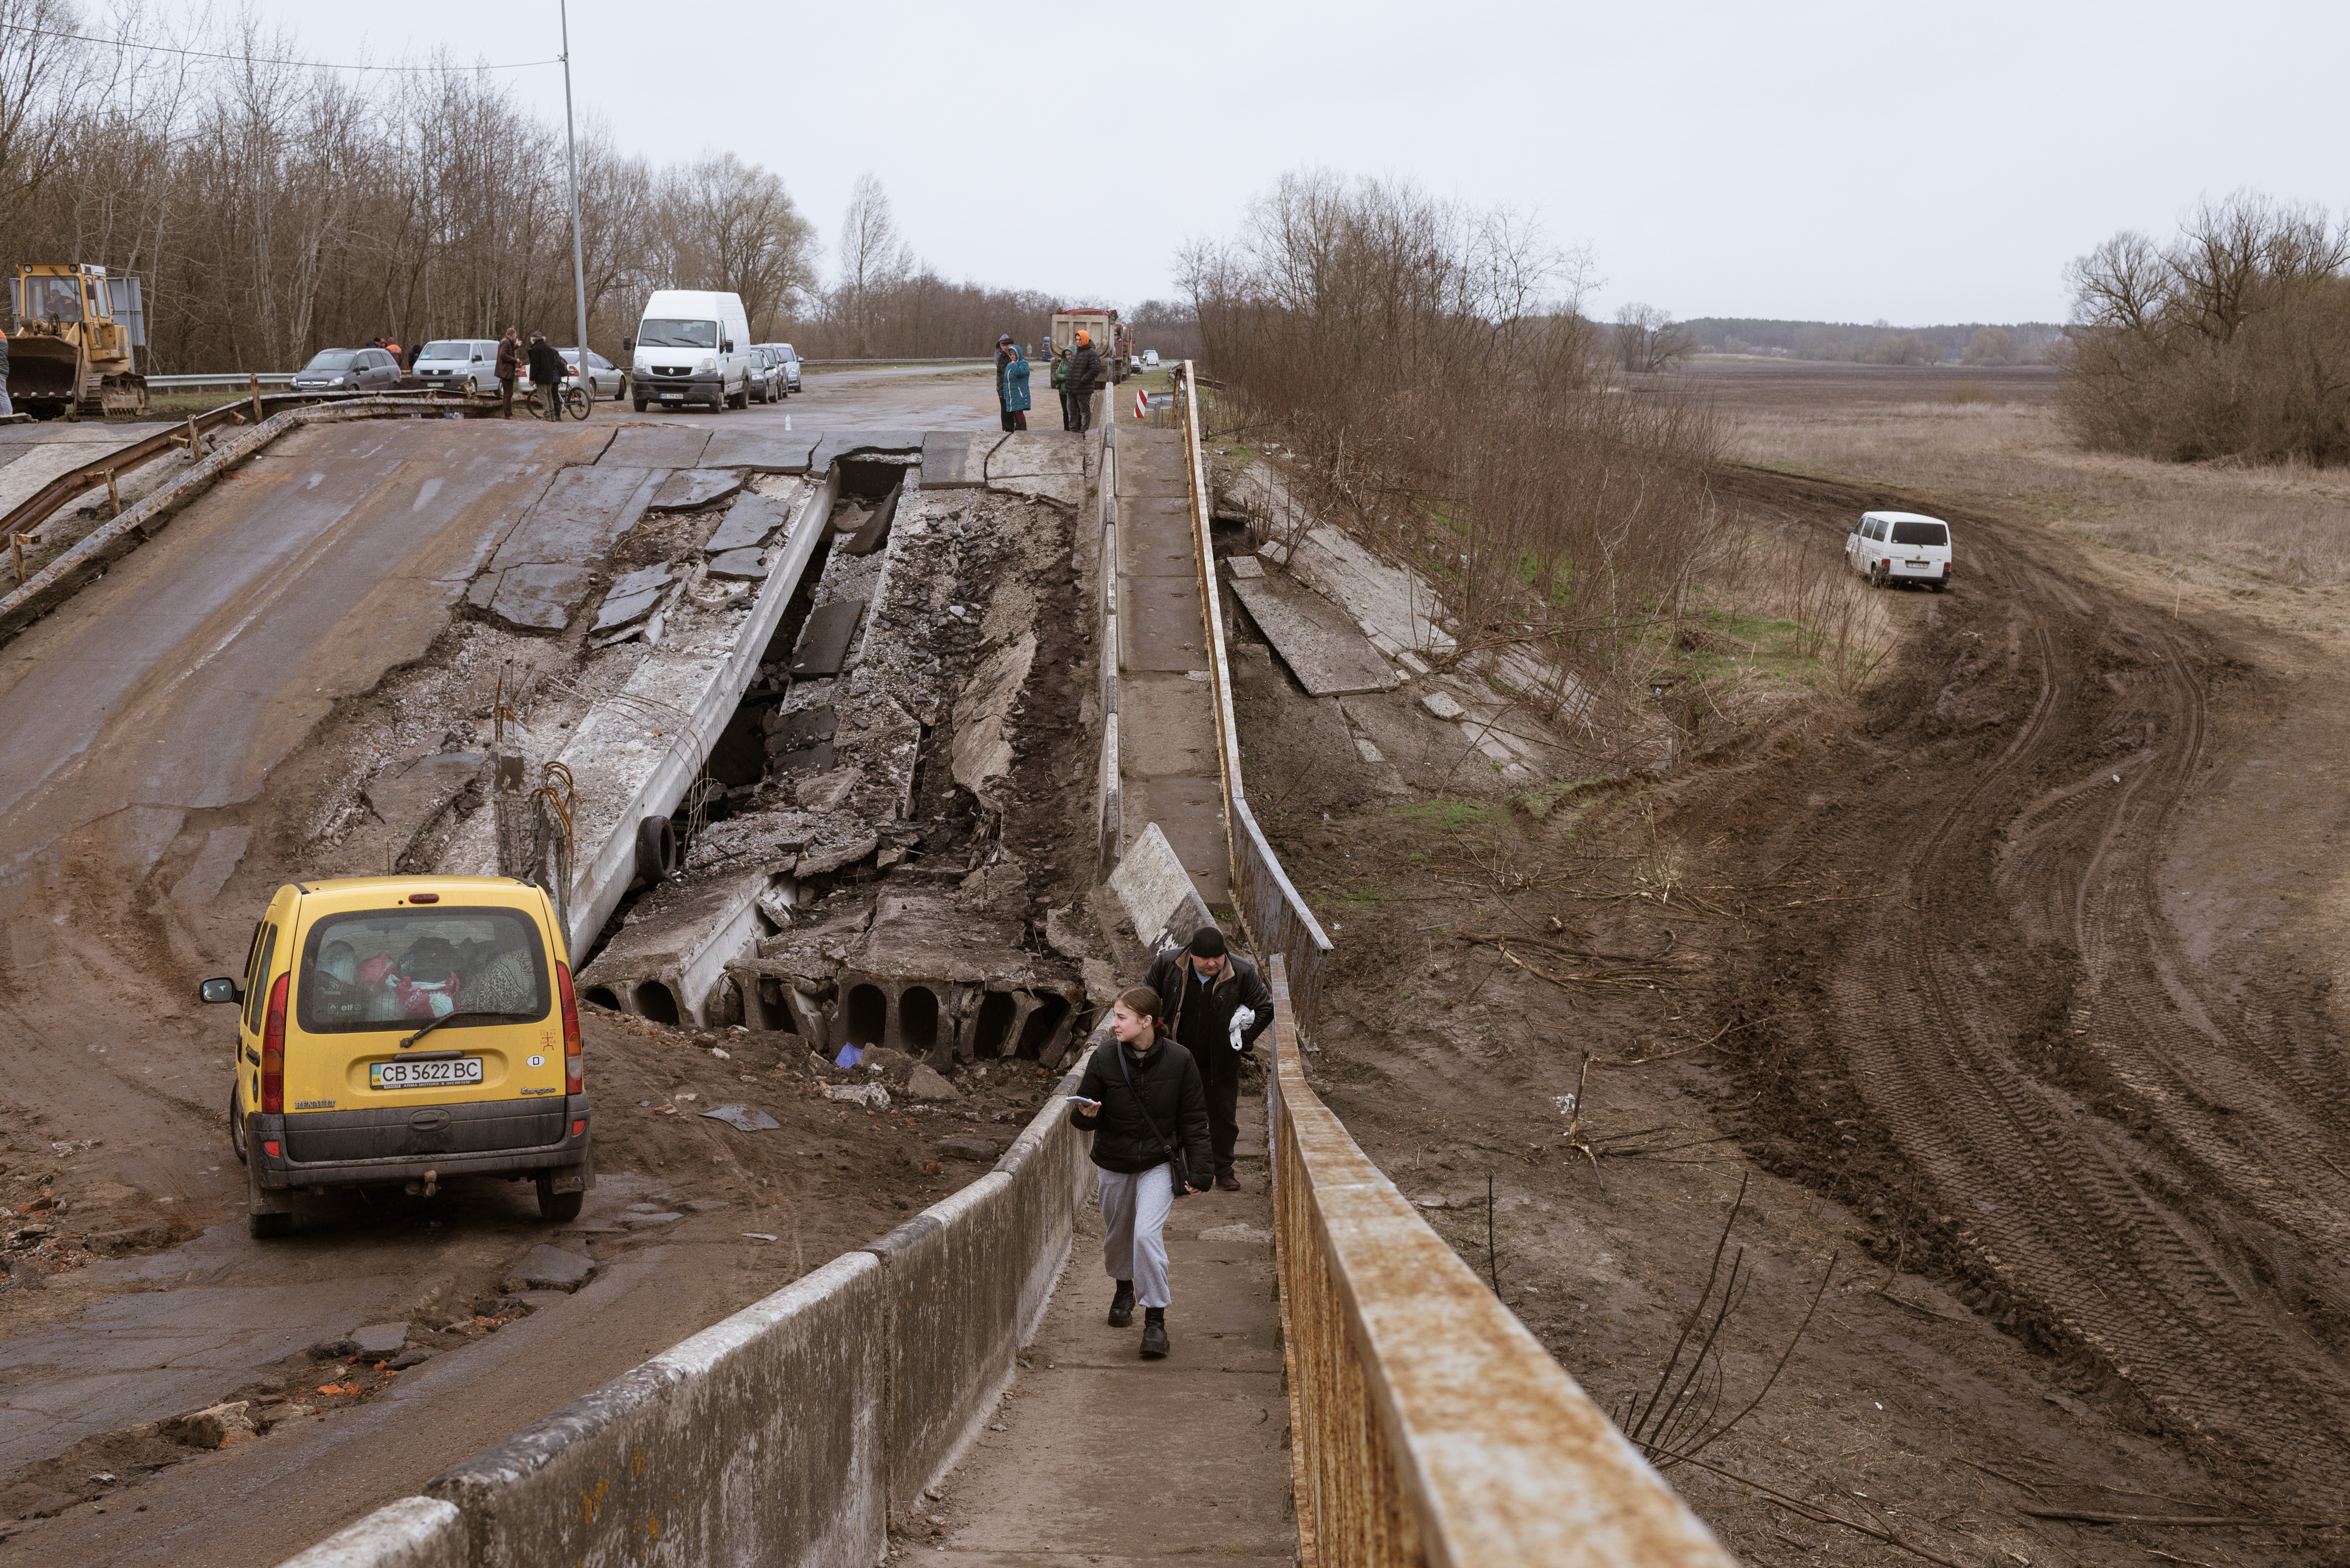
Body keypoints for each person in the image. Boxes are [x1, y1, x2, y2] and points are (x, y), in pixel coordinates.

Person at [1068, 986, 1211, 1360]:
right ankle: (1123, 1287)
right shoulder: (1104, 1058)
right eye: (1114, 1016)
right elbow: (1081, 1115)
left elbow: (1195, 1119)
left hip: (1157, 1163)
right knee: (1119, 1236)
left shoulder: (1180, 1060)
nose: (1113, 1024)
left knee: (1146, 1236)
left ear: (1146, 1021)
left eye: (1121, 1017)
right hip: (1114, 1161)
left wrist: (1201, 1171)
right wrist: (1085, 1114)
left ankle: (1155, 1321)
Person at [1143, 926, 1271, 1192]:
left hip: (1220, 1062)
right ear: (1191, 955)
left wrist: (1244, 1043)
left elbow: (1265, 1007)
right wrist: (1153, 1037)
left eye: (1218, 957)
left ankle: (1223, 1170)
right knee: (1171, 1115)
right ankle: (1177, 1171)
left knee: (1223, 1117)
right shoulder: (1168, 965)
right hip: (1173, 1057)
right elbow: (1144, 998)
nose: (1212, 964)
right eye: (1205, 959)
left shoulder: (1242, 972)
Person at [1066, 329, 1102, 433]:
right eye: (1077, 339)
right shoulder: (1076, 352)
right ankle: (1073, 430)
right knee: (1072, 411)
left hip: (1083, 389)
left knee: (1084, 412)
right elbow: (1071, 368)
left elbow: (1095, 370)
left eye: (1080, 339)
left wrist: (1082, 380)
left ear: (1085, 339)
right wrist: (1068, 378)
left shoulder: (1092, 353)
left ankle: (1084, 431)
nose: (1078, 341)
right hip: (1072, 388)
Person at [526, 333, 567, 420]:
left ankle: (547, 415)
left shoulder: (536, 349)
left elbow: (534, 366)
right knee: (549, 396)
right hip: (549, 377)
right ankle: (552, 415)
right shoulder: (549, 349)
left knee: (543, 397)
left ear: (534, 340)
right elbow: (553, 364)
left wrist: (532, 379)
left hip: (541, 378)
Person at [1001, 343, 1031, 432]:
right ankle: (1018, 429)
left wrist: (1014, 364)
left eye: (1014, 354)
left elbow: (1020, 373)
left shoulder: (1023, 363)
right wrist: (1006, 395)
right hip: (1011, 394)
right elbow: (1006, 380)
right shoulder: (1009, 365)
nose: (1013, 356)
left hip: (1020, 393)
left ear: (1018, 354)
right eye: (1011, 355)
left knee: (1019, 412)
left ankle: (1023, 429)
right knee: (1014, 412)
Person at [495, 328, 522, 418]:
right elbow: (503, 354)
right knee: (508, 393)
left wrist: (517, 346)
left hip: (506, 371)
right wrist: (515, 360)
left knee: (509, 393)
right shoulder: (506, 342)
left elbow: (509, 350)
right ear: (513, 335)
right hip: (506, 372)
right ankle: (508, 414)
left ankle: (508, 414)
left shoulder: (506, 342)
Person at [1051, 346, 1074, 431]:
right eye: (1067, 355)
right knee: (1065, 412)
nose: (1068, 357)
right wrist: (1066, 377)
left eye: (1070, 355)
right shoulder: (1063, 363)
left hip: (1073, 391)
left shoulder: (1075, 363)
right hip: (1063, 391)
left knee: (1074, 411)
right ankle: (1066, 428)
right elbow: (1057, 375)